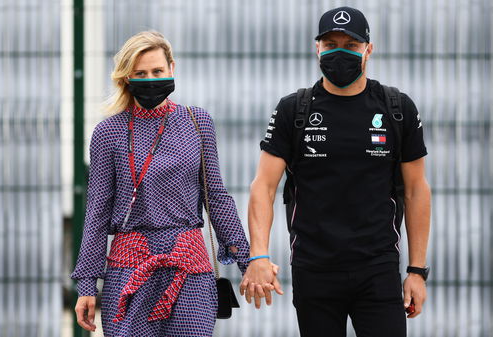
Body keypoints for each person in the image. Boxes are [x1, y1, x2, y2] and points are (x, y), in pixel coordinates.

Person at [240, 6, 431, 337]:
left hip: (378, 268)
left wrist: (416, 271)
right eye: (330, 45)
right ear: (317, 48)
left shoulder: (396, 108)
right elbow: (264, 187)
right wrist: (258, 255)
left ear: (368, 50)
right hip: (314, 270)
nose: (339, 52)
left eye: (351, 45)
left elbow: (416, 190)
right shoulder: (293, 110)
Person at [71, 31, 257, 337]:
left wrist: (247, 261)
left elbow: (216, 197)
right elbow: (97, 212)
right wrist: (87, 285)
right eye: (140, 73)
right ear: (126, 78)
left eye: (157, 71)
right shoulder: (108, 133)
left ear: (172, 68)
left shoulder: (197, 122)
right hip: (131, 265)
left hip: (190, 263)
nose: (150, 79)